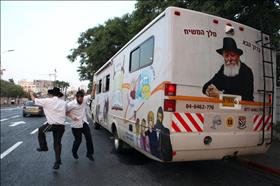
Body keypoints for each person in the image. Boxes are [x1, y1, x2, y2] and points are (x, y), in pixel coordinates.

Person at [202, 37, 254, 101]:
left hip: (245, 109)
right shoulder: (223, 69)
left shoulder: (246, 71)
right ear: (223, 57)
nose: (229, 59)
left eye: (232, 55)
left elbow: (245, 97)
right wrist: (209, 90)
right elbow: (207, 85)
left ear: (238, 56)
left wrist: (220, 95)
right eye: (226, 56)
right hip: (227, 108)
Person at [30, 87, 66, 170]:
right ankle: (57, 161)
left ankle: (44, 147)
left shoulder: (47, 101)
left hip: (52, 125)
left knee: (41, 130)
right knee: (57, 143)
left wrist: (31, 94)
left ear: (51, 94)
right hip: (61, 126)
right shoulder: (63, 102)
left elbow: (34, 100)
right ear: (59, 95)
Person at [66, 85, 96, 161]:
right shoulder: (71, 104)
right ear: (76, 97)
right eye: (80, 98)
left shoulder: (84, 99)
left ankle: (90, 154)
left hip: (83, 122)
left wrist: (94, 88)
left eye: (82, 98)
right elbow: (66, 112)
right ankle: (74, 152)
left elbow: (91, 95)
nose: (81, 100)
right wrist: (72, 116)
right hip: (75, 125)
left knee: (89, 138)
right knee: (78, 141)